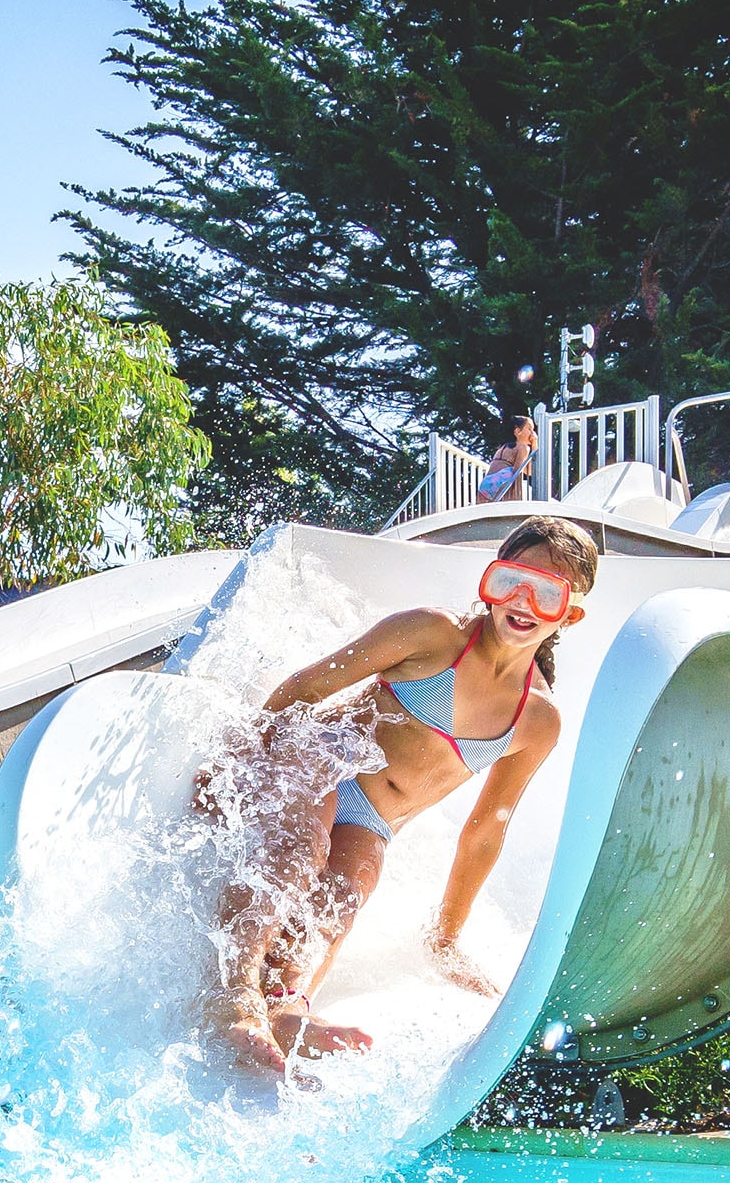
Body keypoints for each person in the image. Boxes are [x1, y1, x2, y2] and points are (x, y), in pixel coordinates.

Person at [208, 518, 598, 1072]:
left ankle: (286, 1002)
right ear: (489, 580)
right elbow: (308, 688)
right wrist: (240, 760)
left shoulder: (536, 719)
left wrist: (446, 937)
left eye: (547, 591)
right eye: (513, 579)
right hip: (321, 756)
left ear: (570, 613)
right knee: (300, 854)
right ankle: (235, 998)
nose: (522, 599)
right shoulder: (432, 634)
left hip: (372, 816)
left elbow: (487, 829)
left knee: (348, 887)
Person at [478, 418, 537, 503]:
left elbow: (529, 471)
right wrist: (517, 499)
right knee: (511, 473)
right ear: (518, 431)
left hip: (486, 483)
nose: (533, 433)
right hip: (501, 481)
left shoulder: (503, 448)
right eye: (529, 429)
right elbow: (517, 472)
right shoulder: (523, 447)